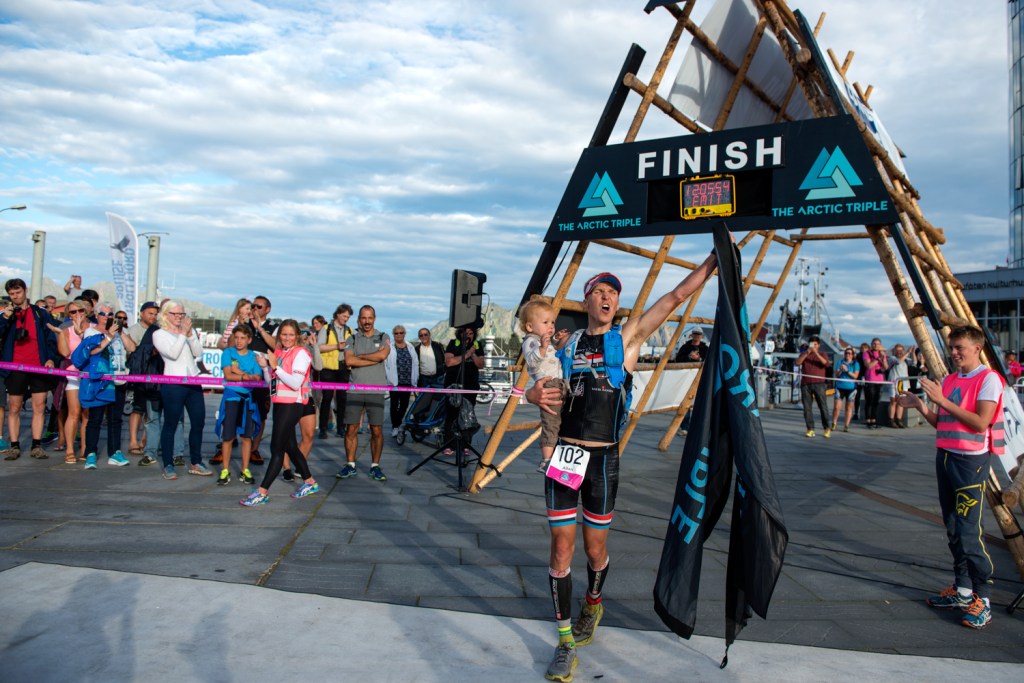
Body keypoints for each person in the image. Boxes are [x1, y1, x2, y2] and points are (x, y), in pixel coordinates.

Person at [526, 256, 717, 682]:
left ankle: (593, 601)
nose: (608, 295)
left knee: (594, 550)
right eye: (600, 290)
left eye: (613, 291)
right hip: (565, 457)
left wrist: (712, 264)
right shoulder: (567, 345)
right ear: (588, 300)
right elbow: (536, 381)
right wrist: (530, 395)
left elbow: (674, 297)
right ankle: (564, 642)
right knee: (560, 550)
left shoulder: (626, 340)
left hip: (603, 460)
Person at [897, 326, 1004, 629]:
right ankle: (962, 589)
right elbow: (942, 423)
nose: (954, 353)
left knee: (970, 532)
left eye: (960, 348)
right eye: (952, 347)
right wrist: (921, 405)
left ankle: (982, 597)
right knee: (954, 528)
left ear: (977, 348)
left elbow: (980, 423)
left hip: (970, 462)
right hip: (945, 457)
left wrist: (942, 401)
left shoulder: (988, 380)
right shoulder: (952, 379)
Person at [240, 320, 320, 506]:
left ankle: (262, 491)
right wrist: (265, 367)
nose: (287, 338)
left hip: (293, 404)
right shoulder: (278, 352)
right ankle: (309, 482)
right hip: (280, 403)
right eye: (284, 334)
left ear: (297, 335)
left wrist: (275, 367)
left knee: (277, 448)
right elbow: (273, 383)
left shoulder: (301, 353)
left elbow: (295, 383)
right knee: (290, 447)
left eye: (291, 335)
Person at [0, 278, 58, 461]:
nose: (15, 296)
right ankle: (15, 445)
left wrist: (50, 358)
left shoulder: (40, 313)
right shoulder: (6, 314)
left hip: (38, 365)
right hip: (15, 366)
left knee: (39, 406)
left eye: (18, 292)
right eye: (11, 294)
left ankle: (36, 444)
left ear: (25, 291)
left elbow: (51, 337)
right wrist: (5, 318)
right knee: (14, 406)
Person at [152, 301, 211, 480]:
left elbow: (198, 352)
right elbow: (172, 354)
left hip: (192, 381)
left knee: (198, 421)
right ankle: (168, 464)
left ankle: (195, 461)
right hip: (173, 383)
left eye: (181, 314)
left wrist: (191, 336)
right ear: (166, 315)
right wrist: (183, 336)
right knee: (171, 423)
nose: (179, 317)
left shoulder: (186, 332)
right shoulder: (159, 334)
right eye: (175, 314)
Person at [337, 305, 390, 482]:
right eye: (363, 318)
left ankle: (375, 466)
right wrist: (374, 357)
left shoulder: (384, 336)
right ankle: (350, 464)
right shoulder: (351, 338)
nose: (367, 321)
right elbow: (349, 360)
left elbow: (383, 357)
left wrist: (361, 357)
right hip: (355, 389)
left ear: (374, 318)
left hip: (376, 390)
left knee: (376, 430)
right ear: (359, 319)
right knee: (351, 428)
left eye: (370, 318)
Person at [79, 303, 136, 468]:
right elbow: (92, 351)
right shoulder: (91, 331)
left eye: (110, 314)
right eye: (103, 314)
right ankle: (90, 453)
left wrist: (119, 332)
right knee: (95, 418)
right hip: (100, 380)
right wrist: (109, 337)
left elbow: (132, 347)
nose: (107, 317)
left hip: (118, 379)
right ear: (96, 315)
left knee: (115, 419)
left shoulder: (118, 332)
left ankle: (115, 452)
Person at [517, 300, 568, 473]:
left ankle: (558, 454)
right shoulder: (531, 342)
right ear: (530, 327)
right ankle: (546, 460)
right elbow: (531, 361)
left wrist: (555, 340)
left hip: (560, 382)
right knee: (551, 422)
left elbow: (553, 353)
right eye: (545, 322)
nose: (551, 326)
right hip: (549, 384)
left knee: (563, 420)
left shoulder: (543, 341)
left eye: (552, 322)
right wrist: (543, 347)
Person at [216, 325, 262, 486]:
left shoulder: (253, 356)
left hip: (248, 399)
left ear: (249, 340)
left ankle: (245, 469)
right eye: (237, 337)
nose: (239, 341)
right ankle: (225, 469)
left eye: (243, 338)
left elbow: (257, 378)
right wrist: (244, 375)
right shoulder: (228, 352)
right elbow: (228, 375)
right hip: (231, 398)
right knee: (228, 436)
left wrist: (239, 373)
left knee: (247, 436)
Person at [56, 299, 91, 463]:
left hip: (91, 375)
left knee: (87, 414)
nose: (77, 315)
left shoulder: (94, 329)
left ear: (86, 311)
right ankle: (70, 449)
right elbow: (64, 352)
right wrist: (68, 333)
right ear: (68, 315)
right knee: (74, 412)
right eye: (73, 312)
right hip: (73, 374)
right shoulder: (65, 330)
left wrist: (83, 335)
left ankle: (85, 448)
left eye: (80, 311)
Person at [443, 324, 485, 455]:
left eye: (471, 333)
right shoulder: (453, 344)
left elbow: (480, 364)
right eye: (465, 333)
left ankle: (465, 444)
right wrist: (466, 355)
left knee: (468, 414)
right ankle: (450, 444)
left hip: (470, 385)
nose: (468, 336)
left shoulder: (477, 345)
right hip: (453, 383)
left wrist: (472, 354)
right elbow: (449, 362)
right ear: (460, 334)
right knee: (452, 413)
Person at [126, 301, 160, 462]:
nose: (153, 316)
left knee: (151, 412)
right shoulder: (133, 330)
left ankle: (145, 441)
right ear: (141, 313)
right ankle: (133, 441)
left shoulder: (158, 330)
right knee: (137, 409)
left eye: (155, 313)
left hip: (154, 377)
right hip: (138, 376)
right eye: (150, 313)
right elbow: (131, 352)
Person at [246, 295, 278, 463]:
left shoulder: (274, 326)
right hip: (244, 375)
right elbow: (229, 344)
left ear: (267, 309)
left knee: (261, 414)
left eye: (259, 306)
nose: (255, 309)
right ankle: (240, 444)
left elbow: (275, 346)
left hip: (263, 376)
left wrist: (260, 328)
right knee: (241, 412)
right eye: (253, 306)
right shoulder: (244, 324)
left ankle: (255, 448)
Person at [317, 304, 353, 439]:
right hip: (328, 369)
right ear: (337, 314)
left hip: (343, 368)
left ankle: (341, 428)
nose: (346, 319)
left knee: (342, 399)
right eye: (344, 316)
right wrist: (336, 346)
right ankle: (323, 428)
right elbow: (319, 347)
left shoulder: (349, 330)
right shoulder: (325, 329)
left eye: (348, 317)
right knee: (326, 399)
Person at [384, 325, 418, 438]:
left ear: (404, 333)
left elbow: (415, 363)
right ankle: (395, 426)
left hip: (407, 381)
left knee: (404, 405)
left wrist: (415, 379)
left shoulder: (410, 347)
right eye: (396, 333)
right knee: (394, 404)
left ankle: (398, 423)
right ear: (394, 334)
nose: (399, 335)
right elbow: (385, 364)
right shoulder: (390, 347)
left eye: (401, 332)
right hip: (394, 381)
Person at [796, 335, 831, 438]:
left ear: (818, 345)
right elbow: (797, 363)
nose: (813, 346)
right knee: (807, 408)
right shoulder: (804, 354)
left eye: (815, 344)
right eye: (812, 344)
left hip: (819, 383)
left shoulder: (822, 354)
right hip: (806, 383)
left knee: (822, 406)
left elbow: (826, 364)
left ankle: (826, 428)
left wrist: (815, 353)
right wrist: (807, 352)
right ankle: (810, 428)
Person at [860, 338, 888, 429]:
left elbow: (886, 367)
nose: (876, 345)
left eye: (878, 344)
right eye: (874, 344)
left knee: (876, 401)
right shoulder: (867, 353)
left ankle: (874, 420)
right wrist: (878, 358)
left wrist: (883, 359)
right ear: (871, 344)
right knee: (869, 401)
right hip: (870, 379)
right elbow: (869, 366)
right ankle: (868, 420)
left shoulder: (882, 354)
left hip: (879, 380)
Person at [831, 348, 860, 433]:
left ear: (853, 355)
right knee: (837, 407)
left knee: (849, 407)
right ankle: (834, 423)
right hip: (840, 387)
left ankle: (846, 425)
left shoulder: (855, 364)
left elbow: (855, 376)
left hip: (851, 388)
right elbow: (836, 374)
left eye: (850, 353)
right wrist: (840, 370)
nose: (848, 355)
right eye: (846, 353)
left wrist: (847, 371)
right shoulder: (840, 362)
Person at [887, 344, 914, 428]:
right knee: (893, 401)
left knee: (900, 402)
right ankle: (891, 419)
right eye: (897, 350)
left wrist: (913, 353)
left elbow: (914, 362)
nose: (899, 352)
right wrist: (908, 352)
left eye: (900, 350)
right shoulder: (892, 358)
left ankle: (899, 419)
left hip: (902, 383)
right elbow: (899, 362)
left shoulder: (906, 359)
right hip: (894, 382)